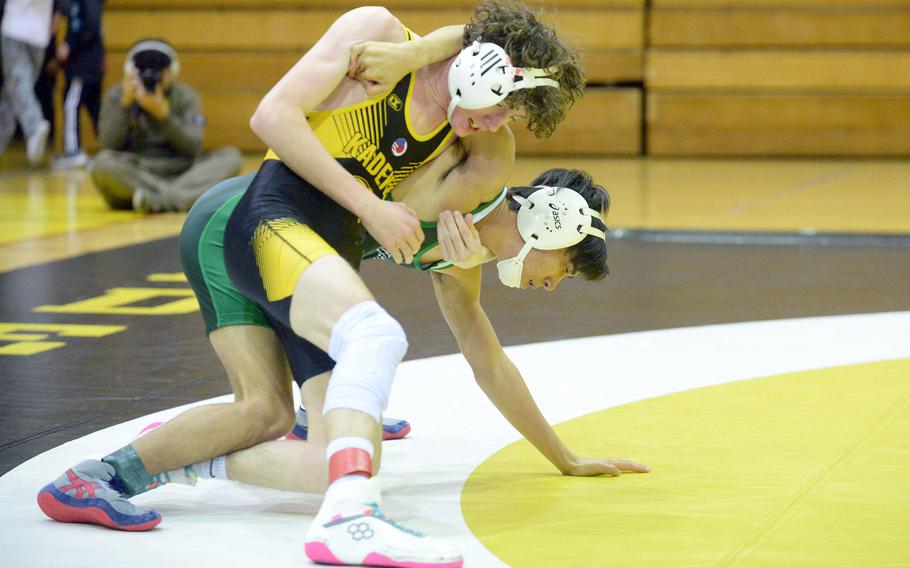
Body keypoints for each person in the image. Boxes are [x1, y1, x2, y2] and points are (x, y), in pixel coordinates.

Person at [38, 3, 609, 567]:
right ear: (548, 222)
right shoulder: (435, 109)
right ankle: (347, 517)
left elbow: (488, 360)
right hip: (249, 221)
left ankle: (175, 457)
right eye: (560, 272)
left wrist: (562, 456)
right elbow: (485, 42)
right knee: (371, 339)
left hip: (310, 244)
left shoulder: (464, 203)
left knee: (280, 425)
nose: (494, 125)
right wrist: (417, 51)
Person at [90, 38, 243, 212]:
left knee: (231, 157)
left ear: (172, 72)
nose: (152, 78)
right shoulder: (118, 95)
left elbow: (194, 147)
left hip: (181, 169)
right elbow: (108, 145)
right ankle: (177, 198)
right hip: (138, 169)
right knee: (102, 165)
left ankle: (156, 200)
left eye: (158, 72)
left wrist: (164, 116)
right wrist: (124, 107)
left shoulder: (186, 96)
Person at [50, 0, 105, 170]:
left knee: (71, 105)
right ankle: (111, 150)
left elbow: (91, 24)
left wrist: (69, 46)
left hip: (84, 64)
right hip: (87, 63)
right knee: (95, 109)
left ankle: (73, 152)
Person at [0, 0, 53, 165]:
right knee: (15, 92)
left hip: (15, 30)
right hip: (39, 35)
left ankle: (34, 124)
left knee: (17, 86)